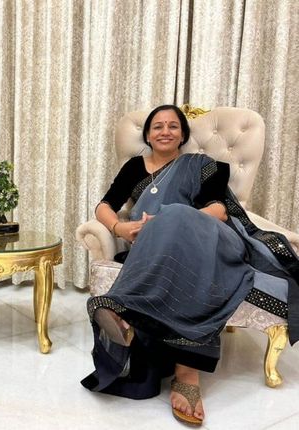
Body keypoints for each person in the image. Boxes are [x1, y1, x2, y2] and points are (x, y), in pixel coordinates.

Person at [80, 105, 298, 426]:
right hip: (154, 244)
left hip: (209, 238)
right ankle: (145, 335)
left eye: (173, 126)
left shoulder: (202, 165)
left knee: (176, 215)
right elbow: (105, 205)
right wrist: (120, 228)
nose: (165, 131)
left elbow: (219, 210)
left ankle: (178, 363)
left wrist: (171, 219)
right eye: (157, 126)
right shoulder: (134, 168)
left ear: (182, 134)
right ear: (148, 135)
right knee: (170, 242)